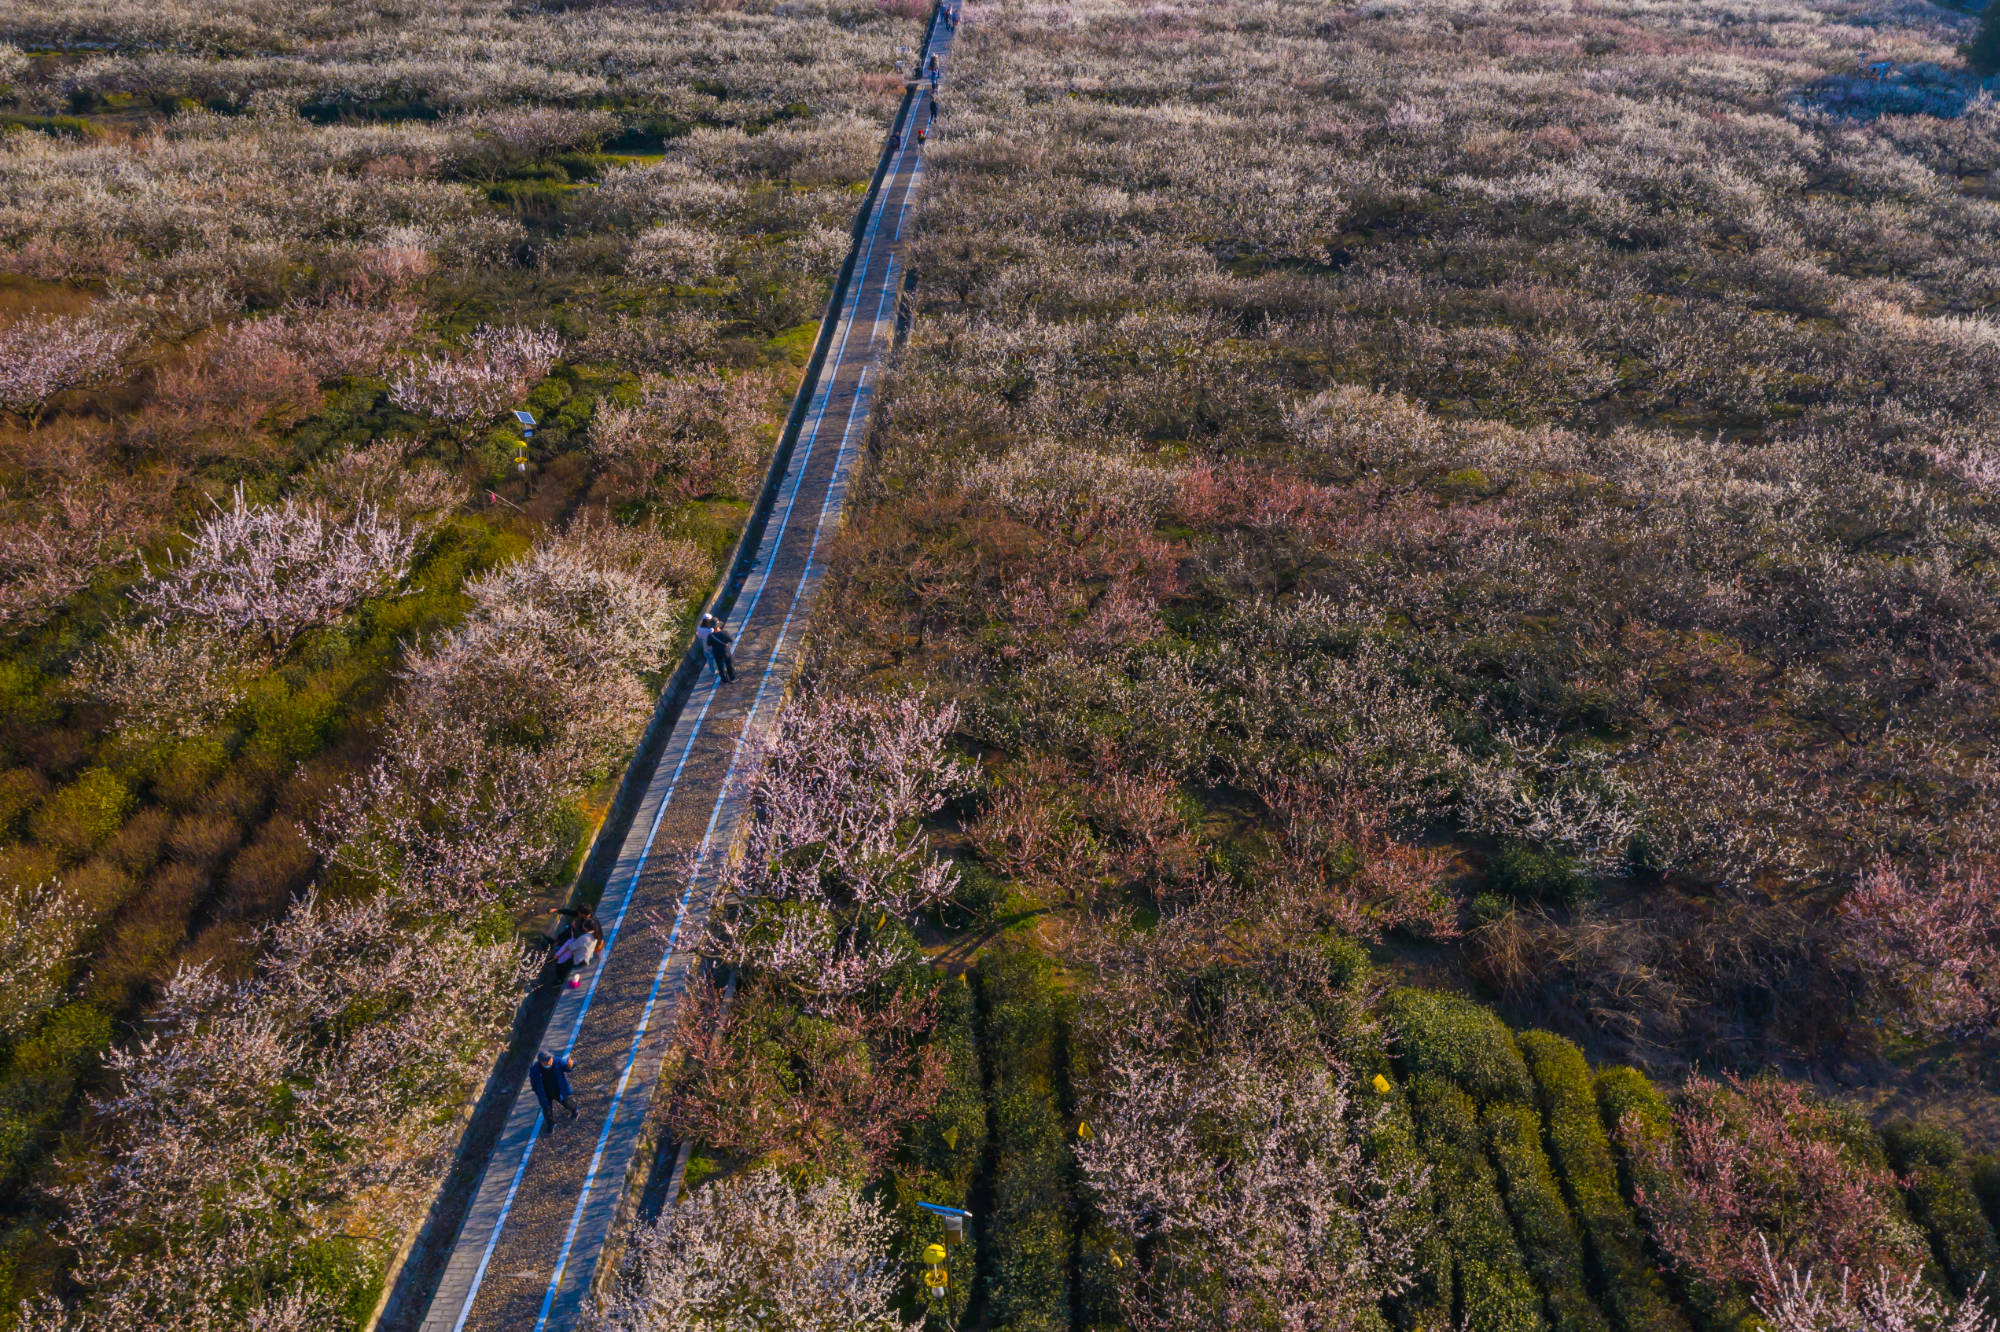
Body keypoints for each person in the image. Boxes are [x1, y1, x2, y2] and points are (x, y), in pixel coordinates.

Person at [530, 1051, 577, 1124]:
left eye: (551, 1060)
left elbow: (567, 1068)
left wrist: (571, 1065)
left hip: (558, 1089)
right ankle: (550, 1124)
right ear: (541, 1062)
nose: (550, 1062)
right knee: (547, 1111)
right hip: (545, 1093)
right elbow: (533, 1082)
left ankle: (574, 1111)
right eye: (547, 1062)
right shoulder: (535, 1069)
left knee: (567, 1103)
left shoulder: (557, 1061)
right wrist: (537, 1091)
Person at [706, 618, 737, 683]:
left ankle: (724, 680)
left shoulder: (710, 636)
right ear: (718, 625)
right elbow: (731, 640)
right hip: (726, 652)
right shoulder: (724, 633)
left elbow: (708, 644)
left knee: (720, 667)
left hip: (717, 653)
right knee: (729, 664)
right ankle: (732, 678)